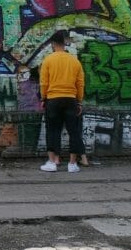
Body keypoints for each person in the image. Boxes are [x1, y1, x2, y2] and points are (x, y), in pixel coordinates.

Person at [38, 29, 85, 173]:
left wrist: (43, 98)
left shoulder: (48, 60)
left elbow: (44, 83)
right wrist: (79, 101)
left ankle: (52, 162)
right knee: (73, 131)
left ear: (53, 44)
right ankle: (72, 164)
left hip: (53, 99)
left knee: (53, 130)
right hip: (71, 99)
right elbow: (80, 83)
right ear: (64, 44)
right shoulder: (74, 61)